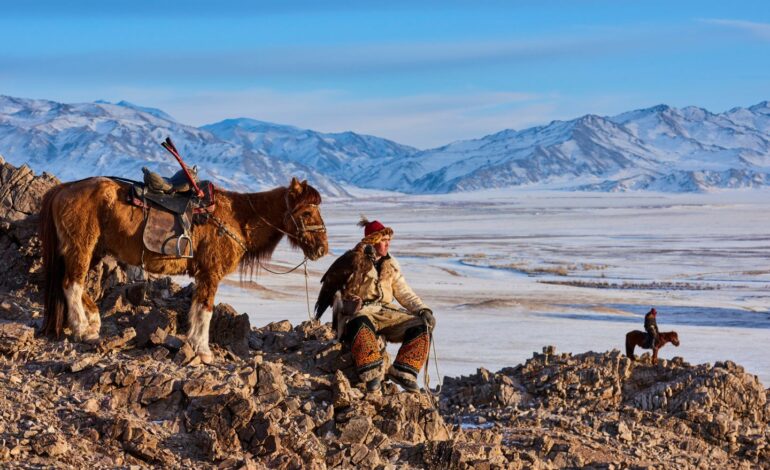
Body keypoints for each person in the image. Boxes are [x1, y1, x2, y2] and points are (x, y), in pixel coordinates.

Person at [317, 217, 435, 393]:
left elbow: (403, 291)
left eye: (389, 241)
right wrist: (345, 305)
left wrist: (423, 309)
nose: (388, 244)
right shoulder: (353, 260)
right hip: (360, 312)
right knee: (359, 323)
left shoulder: (390, 264)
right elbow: (337, 294)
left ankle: (403, 372)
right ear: (373, 240)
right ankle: (372, 374)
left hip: (385, 312)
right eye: (383, 240)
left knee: (422, 325)